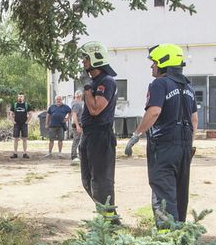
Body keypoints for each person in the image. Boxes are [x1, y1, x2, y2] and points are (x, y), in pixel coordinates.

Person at [124, 44, 198, 230]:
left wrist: (136, 134)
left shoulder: (159, 84)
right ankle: (180, 233)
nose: (152, 67)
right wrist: (188, 144)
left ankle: (167, 239)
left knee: (163, 193)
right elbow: (194, 120)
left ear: (164, 63)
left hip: (164, 147)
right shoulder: (188, 87)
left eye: (154, 63)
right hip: (184, 148)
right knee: (180, 193)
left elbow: (154, 112)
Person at [76, 40, 120, 223]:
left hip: (100, 136)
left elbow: (95, 109)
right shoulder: (95, 82)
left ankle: (110, 222)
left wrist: (87, 89)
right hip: (88, 136)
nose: (83, 62)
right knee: (88, 181)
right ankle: (104, 215)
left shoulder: (106, 82)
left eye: (85, 58)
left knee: (101, 181)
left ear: (95, 58)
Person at [9, 93, 33, 159]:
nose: (20, 98)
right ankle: (15, 153)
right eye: (19, 96)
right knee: (16, 139)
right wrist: (13, 121)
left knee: (24, 139)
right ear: (17, 97)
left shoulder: (26, 105)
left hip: (24, 124)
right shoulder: (15, 105)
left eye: (21, 97)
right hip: (16, 124)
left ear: (23, 98)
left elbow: (30, 114)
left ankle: (25, 153)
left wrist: (27, 122)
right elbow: (10, 114)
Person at [69, 89, 85, 164]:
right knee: (76, 140)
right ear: (79, 95)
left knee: (80, 140)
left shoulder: (79, 103)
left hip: (80, 124)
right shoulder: (76, 104)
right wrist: (78, 126)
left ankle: (80, 155)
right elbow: (74, 115)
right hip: (77, 124)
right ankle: (74, 156)